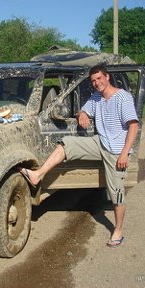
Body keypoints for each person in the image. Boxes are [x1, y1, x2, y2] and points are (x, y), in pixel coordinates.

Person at [20, 64, 139, 247]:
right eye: (93, 80)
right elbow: (83, 109)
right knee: (67, 143)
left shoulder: (123, 97)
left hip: (116, 149)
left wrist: (124, 153)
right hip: (100, 142)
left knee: (116, 193)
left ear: (107, 77)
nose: (97, 83)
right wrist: (82, 113)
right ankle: (37, 175)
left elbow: (133, 126)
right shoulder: (97, 97)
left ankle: (118, 230)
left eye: (99, 78)